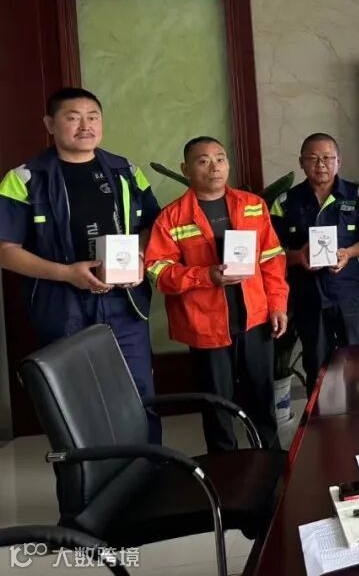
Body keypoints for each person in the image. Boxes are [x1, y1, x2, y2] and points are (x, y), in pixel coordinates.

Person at [0, 87, 162, 441]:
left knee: (138, 393)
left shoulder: (125, 170)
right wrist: (66, 274)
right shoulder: (26, 178)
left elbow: (153, 226)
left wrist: (139, 257)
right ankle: (91, 475)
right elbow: (5, 250)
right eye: (73, 118)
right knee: (77, 403)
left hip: (124, 302)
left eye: (93, 117)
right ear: (50, 124)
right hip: (62, 304)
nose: (85, 126)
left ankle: (149, 468)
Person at [144, 137, 288, 452]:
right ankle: (226, 468)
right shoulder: (172, 217)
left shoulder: (252, 205)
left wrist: (278, 305)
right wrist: (205, 275)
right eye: (203, 161)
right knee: (217, 407)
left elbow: (272, 259)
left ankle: (271, 462)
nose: (214, 167)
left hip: (255, 320)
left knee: (262, 400)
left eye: (220, 159)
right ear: (186, 169)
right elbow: (158, 271)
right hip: (205, 326)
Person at [271, 133, 359, 397]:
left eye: (328, 158)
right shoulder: (285, 202)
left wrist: (349, 253)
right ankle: (321, 419)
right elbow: (271, 252)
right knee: (316, 365)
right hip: (308, 295)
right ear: (301, 162)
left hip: (350, 292)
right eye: (313, 158)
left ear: (339, 161)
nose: (321, 164)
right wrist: (298, 256)